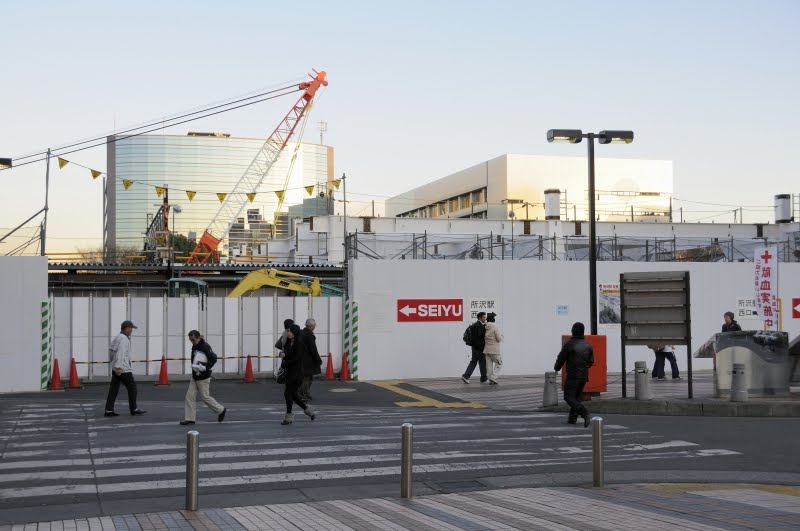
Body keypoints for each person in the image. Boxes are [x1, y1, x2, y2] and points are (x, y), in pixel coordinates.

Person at [180, 330, 226, 426]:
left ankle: (221, 410)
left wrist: (206, 367)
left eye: (193, 340)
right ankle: (190, 419)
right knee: (189, 397)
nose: (191, 342)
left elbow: (214, 358)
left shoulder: (205, 346)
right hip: (195, 376)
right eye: (190, 340)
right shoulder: (195, 345)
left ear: (198, 337)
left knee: (205, 397)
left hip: (203, 377)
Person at [554, 322, 594, 427]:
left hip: (573, 375)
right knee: (576, 397)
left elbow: (561, 358)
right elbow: (591, 362)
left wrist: (556, 368)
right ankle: (572, 419)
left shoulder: (569, 344)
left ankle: (584, 412)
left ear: (573, 331)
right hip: (584, 376)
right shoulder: (587, 345)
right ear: (583, 332)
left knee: (568, 396)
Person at [104, 320, 146, 417]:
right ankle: (134, 409)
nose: (132, 330)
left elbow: (111, 351)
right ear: (126, 328)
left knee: (113, 389)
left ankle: (109, 410)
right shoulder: (124, 339)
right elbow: (121, 353)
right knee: (132, 388)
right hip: (123, 368)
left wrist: (113, 364)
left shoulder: (117, 337)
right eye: (131, 328)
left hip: (116, 367)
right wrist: (119, 367)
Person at [279, 324, 316, 424]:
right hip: (289, 373)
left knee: (288, 393)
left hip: (297, 374)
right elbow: (287, 355)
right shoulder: (288, 343)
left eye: (290, 331)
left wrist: (285, 359)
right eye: (288, 331)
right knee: (293, 395)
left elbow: (296, 359)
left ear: (295, 333)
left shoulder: (299, 344)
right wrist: (282, 355)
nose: (289, 333)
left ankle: (289, 417)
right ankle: (308, 411)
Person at [299, 319, 323, 402]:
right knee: (307, 378)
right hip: (308, 361)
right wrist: (318, 360)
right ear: (311, 326)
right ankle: (305, 395)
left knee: (303, 378)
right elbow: (313, 349)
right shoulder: (309, 335)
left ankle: (301, 394)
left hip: (300, 359)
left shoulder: (301, 333)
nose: (315, 327)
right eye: (314, 326)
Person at [461, 312, 488, 383]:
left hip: (474, 347)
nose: (485, 319)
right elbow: (480, 338)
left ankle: (483, 378)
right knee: (480, 362)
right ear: (480, 318)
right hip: (479, 348)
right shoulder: (479, 326)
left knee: (478, 362)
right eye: (484, 317)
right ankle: (466, 376)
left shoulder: (474, 325)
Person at [483, 312, 503, 384]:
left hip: (486, 350)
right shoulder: (495, 326)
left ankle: (490, 379)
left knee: (489, 366)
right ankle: (493, 378)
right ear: (493, 319)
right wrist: (502, 337)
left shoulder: (485, 326)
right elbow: (499, 338)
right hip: (494, 350)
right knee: (499, 363)